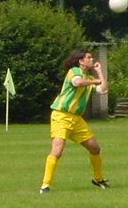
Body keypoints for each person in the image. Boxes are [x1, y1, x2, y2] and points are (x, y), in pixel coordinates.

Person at [39, 49, 109, 194]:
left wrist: (99, 72)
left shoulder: (88, 78)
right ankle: (45, 185)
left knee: (95, 148)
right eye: (88, 57)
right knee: (57, 150)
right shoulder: (74, 71)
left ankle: (98, 179)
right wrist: (95, 80)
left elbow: (103, 90)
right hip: (61, 116)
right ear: (80, 61)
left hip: (76, 119)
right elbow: (77, 83)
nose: (91, 59)